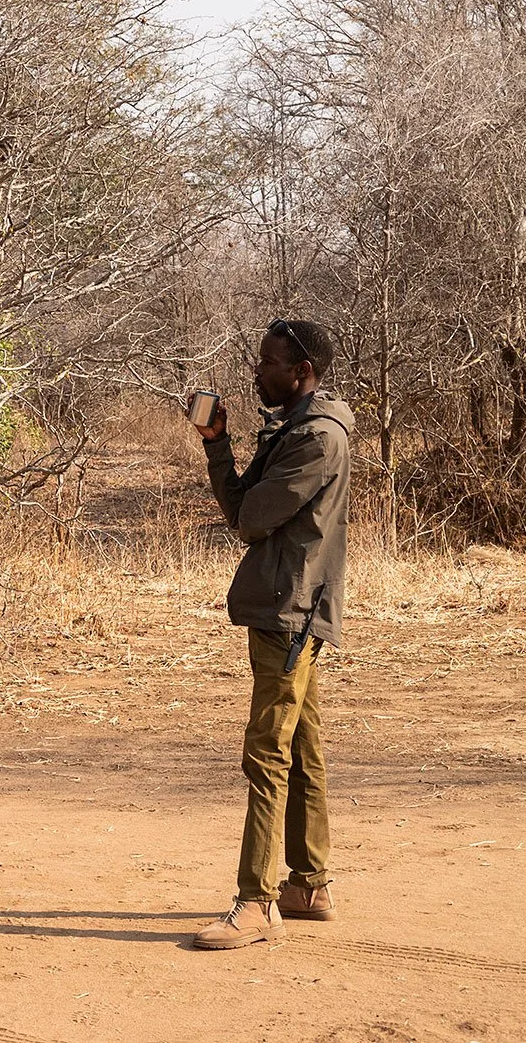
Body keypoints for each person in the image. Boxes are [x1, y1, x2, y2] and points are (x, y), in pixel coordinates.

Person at [190, 318, 354, 951]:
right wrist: (218, 443)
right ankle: (308, 883)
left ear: (301, 369)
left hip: (291, 610)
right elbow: (244, 510)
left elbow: (250, 518)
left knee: (267, 751)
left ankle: (256, 902)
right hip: (289, 606)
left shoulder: (315, 438)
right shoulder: (296, 427)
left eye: (268, 363)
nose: (257, 371)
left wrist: (238, 457)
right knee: (303, 744)